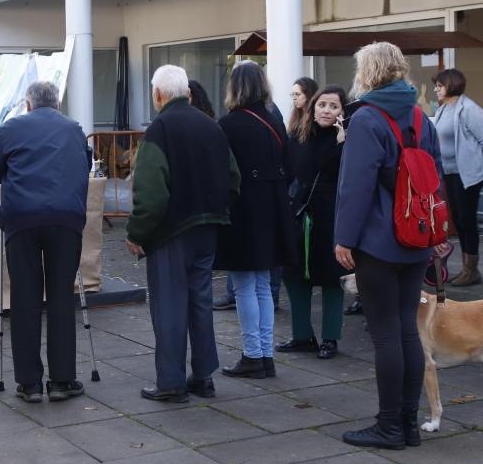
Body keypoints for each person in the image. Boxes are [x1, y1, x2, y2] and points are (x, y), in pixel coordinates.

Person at [334, 42, 441, 450]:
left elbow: (355, 187)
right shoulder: (420, 114)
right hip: (417, 237)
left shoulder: (367, 119)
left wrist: (344, 238)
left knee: (385, 336)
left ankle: (389, 425)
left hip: (378, 241)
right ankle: (409, 424)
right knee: (406, 332)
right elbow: (436, 175)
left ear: (369, 72)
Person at [126, 65, 240, 402]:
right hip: (208, 228)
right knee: (200, 303)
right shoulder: (211, 125)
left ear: (158, 94)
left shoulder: (159, 129)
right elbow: (234, 179)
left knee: (169, 306)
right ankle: (203, 376)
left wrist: (136, 233)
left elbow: (151, 195)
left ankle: (171, 382)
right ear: (187, 93)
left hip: (171, 233)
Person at [0, 81, 91, 403]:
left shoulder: (12, 128)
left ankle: (29, 383)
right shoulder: (74, 129)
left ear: (28, 104)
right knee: (60, 297)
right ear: (56, 104)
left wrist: (13, 170)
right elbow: (86, 164)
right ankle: (62, 380)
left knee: (25, 299)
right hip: (66, 220)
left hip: (22, 219)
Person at [216, 61, 295, 379]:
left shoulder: (229, 124)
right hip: (273, 207)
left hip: (244, 209)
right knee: (262, 284)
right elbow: (290, 165)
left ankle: (252, 354)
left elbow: (223, 172)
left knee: (244, 285)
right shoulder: (274, 119)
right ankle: (265, 354)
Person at [278, 86, 349, 360]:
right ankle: (301, 335)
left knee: (332, 277)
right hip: (300, 214)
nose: (326, 110)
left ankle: (330, 338)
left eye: (334, 106)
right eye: (322, 105)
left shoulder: (347, 141)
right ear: (313, 107)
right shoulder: (298, 136)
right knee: (294, 275)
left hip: (332, 215)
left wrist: (343, 139)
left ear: (343, 111)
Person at [432, 68, 483, 286]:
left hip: (468, 174)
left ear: (451, 84)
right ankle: (466, 268)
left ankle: (472, 271)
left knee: (466, 219)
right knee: (459, 219)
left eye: (439, 86)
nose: (436, 90)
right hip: (450, 172)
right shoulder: (444, 109)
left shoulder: (469, 109)